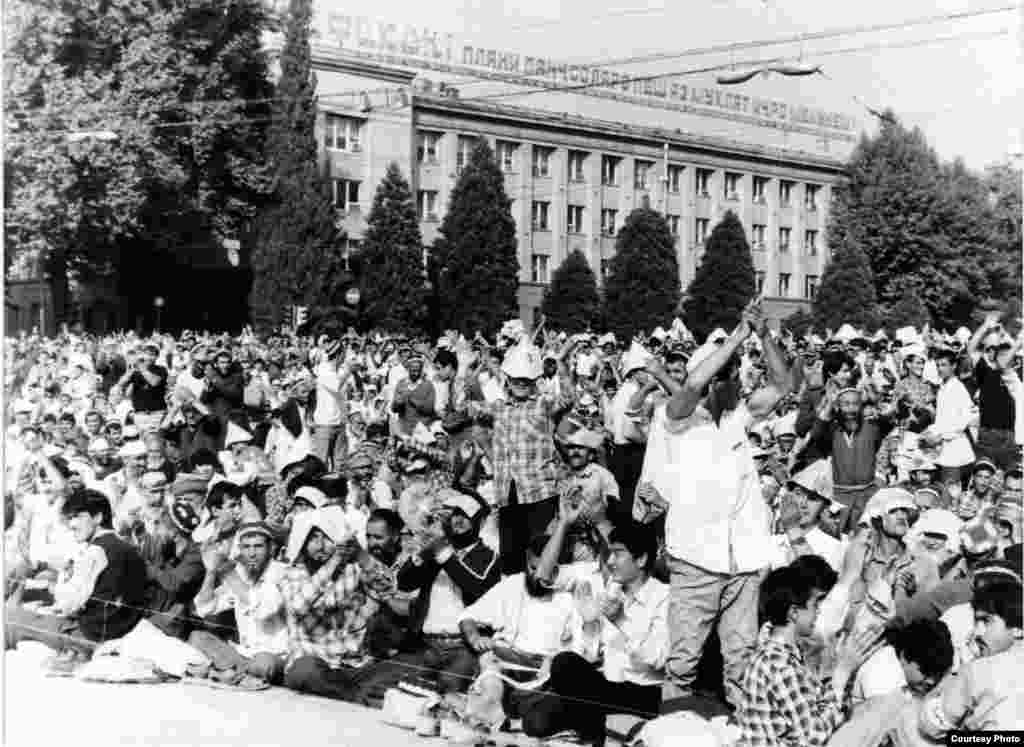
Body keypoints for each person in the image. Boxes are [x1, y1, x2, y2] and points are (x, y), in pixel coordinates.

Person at [645, 300, 791, 710]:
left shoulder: (739, 417)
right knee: (683, 663)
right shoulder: (674, 419)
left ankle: (742, 732)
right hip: (695, 560)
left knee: (741, 662)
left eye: (733, 376)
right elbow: (690, 386)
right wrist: (739, 335)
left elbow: (782, 386)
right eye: (725, 376)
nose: (736, 383)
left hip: (743, 560)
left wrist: (763, 335)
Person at [522, 522, 668, 742]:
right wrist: (564, 523)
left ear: (641, 559)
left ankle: (594, 731)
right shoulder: (608, 587)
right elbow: (543, 575)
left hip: (644, 693)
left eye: (618, 554)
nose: (610, 561)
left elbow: (657, 659)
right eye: (609, 554)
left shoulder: (664, 596)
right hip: (604, 690)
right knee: (534, 721)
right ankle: (596, 724)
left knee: (564, 666)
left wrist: (621, 620)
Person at [734, 565, 881, 747]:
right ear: (794, 612)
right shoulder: (780, 664)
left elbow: (813, 709)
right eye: (814, 605)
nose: (818, 611)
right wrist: (841, 676)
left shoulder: (779, 653)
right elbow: (812, 737)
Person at [5, 489, 148, 655]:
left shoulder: (96, 551)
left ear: (98, 518)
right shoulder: (128, 547)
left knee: (9, 618)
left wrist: (58, 581)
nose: (71, 524)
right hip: (121, 631)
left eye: (77, 517)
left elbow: (68, 603)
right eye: (69, 518)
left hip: (89, 638)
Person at [484, 336, 579, 575]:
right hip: (508, 493)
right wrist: (468, 370)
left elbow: (568, 398)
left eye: (527, 379)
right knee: (511, 559)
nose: (521, 383)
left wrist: (561, 362)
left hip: (539, 492)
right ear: (508, 379)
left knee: (542, 554)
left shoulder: (543, 404)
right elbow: (459, 405)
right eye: (516, 379)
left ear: (535, 380)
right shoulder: (498, 407)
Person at [279, 505, 392, 700]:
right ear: (302, 543)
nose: (321, 545)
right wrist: (334, 561)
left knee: (405, 666)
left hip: (354, 665)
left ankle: (354, 691)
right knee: (304, 671)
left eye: (326, 537)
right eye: (313, 538)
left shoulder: (353, 567)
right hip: (315, 663)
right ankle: (357, 695)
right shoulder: (293, 573)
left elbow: (387, 588)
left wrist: (361, 555)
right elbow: (298, 606)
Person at [396, 488, 501, 693]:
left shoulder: (488, 557)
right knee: (396, 684)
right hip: (427, 646)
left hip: (463, 648)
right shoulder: (437, 551)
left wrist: (442, 552)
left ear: (479, 522)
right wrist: (424, 551)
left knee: (449, 689)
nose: (458, 520)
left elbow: (477, 587)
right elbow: (404, 582)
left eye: (465, 514)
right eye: (453, 514)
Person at [917, 578, 1024, 734]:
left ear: (1018, 629)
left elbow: (930, 725)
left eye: (987, 621)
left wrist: (954, 676)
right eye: (976, 622)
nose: (977, 632)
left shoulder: (979, 670)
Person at [188, 521, 288, 685]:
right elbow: (204, 608)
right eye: (246, 547)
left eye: (258, 546)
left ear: (271, 549)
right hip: (244, 655)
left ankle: (227, 671)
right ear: (240, 549)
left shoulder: (282, 573)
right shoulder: (241, 573)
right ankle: (237, 673)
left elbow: (262, 609)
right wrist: (211, 572)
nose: (252, 553)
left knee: (263, 663)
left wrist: (225, 569)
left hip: (273, 656)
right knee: (197, 637)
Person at [968, 313, 1018, 471]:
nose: (993, 352)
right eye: (989, 349)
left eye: (997, 349)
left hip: (1009, 435)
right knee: (984, 473)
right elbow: (971, 348)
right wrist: (985, 327)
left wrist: (1005, 336)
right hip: (989, 433)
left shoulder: (1014, 374)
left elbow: (1008, 353)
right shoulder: (984, 370)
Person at [920, 348, 975, 489]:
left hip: (955, 451)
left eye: (943, 365)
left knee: (950, 493)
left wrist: (942, 436)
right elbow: (942, 419)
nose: (940, 369)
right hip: (941, 450)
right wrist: (930, 432)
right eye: (938, 365)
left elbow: (965, 419)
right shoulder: (942, 388)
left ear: (954, 366)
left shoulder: (958, 388)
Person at [311, 341, 351, 472]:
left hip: (340, 422)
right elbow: (336, 385)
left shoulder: (338, 370)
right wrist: (348, 371)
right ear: (339, 355)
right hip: (325, 424)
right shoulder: (323, 369)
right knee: (321, 463)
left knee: (340, 463)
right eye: (344, 354)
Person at [117, 345, 168, 435]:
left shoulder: (161, 369)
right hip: (140, 414)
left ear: (156, 357)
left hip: (157, 414)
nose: (149, 357)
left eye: (152, 355)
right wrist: (130, 370)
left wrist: (142, 368)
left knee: (156, 439)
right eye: (147, 354)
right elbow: (121, 383)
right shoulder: (136, 371)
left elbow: (154, 382)